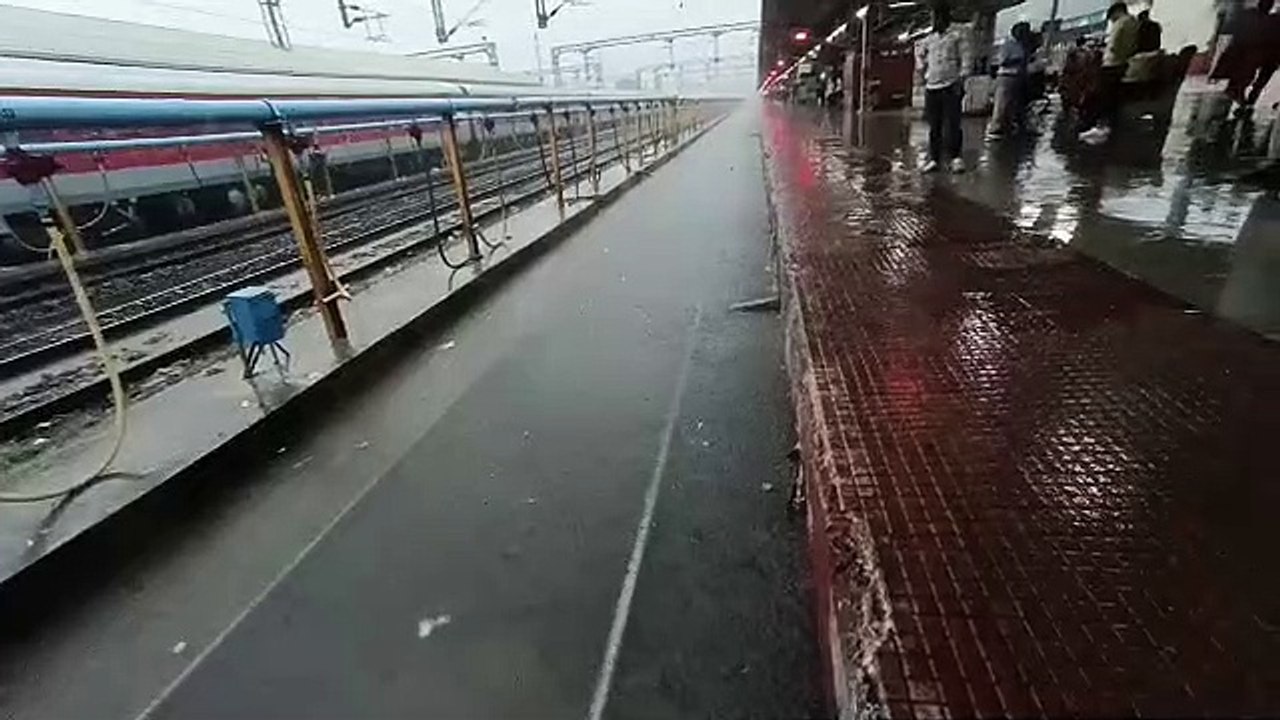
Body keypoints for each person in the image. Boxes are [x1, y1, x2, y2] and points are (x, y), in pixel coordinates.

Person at [916, 1, 971, 172]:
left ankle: (956, 158)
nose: (935, 21)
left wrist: (961, 79)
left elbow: (966, 58)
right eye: (934, 18)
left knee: (953, 123)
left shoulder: (957, 35)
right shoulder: (929, 39)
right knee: (934, 125)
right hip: (932, 86)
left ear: (945, 17)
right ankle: (934, 158)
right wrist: (922, 69)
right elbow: (919, 55)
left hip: (951, 85)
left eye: (938, 17)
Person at [1079, 2, 1140, 144]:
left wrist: (1111, 54)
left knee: (1104, 96)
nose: (1111, 21)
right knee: (1113, 98)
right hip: (1123, 63)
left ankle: (1101, 127)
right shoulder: (1133, 22)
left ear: (1116, 12)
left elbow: (1115, 45)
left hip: (1113, 64)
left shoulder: (1121, 23)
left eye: (1111, 18)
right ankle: (1109, 126)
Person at [987, 22, 1033, 140]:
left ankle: (1010, 127)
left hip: (1018, 76)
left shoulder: (1022, 45)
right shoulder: (1008, 45)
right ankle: (995, 128)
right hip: (1007, 76)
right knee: (1002, 104)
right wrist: (1017, 60)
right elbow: (1002, 61)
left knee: (1014, 105)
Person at [1246, 1, 1280, 106]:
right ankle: (1252, 97)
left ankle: (1250, 97)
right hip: (1274, 56)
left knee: (1259, 76)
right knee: (1263, 77)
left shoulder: (1271, 18)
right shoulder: (1272, 19)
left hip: (1265, 53)